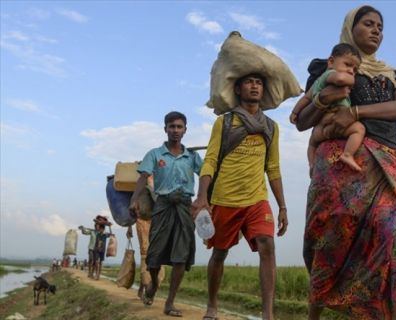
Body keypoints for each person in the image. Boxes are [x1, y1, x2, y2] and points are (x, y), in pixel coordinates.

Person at [296, 6, 396, 320]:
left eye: (380, 27)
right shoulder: (330, 68)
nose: (375, 31)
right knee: (330, 245)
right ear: (350, 28)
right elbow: (302, 121)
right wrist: (324, 99)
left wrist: (356, 113)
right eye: (367, 24)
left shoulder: (393, 74)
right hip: (341, 168)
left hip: (387, 166)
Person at [192, 73, 288, 320]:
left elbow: (273, 167)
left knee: (267, 245)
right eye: (249, 82)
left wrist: (283, 207)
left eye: (258, 82)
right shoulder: (224, 123)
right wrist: (202, 196)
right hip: (225, 199)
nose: (254, 86)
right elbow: (210, 160)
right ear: (237, 88)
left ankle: (268, 314)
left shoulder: (270, 127)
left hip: (257, 199)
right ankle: (212, 305)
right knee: (219, 254)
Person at [129, 111, 203, 317]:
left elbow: (207, 176)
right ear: (165, 129)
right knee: (154, 255)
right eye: (172, 127)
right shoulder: (155, 154)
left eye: (180, 127)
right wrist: (134, 199)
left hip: (185, 206)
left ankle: (170, 302)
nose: (176, 130)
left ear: (185, 130)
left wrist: (205, 200)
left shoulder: (192, 157)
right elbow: (144, 177)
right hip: (162, 206)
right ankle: (152, 284)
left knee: (181, 255)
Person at [290, 43, 364, 173]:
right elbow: (341, 79)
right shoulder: (330, 74)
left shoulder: (317, 81)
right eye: (347, 65)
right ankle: (347, 154)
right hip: (335, 117)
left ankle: (312, 164)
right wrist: (353, 80)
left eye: (355, 69)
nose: (351, 71)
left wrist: (295, 111)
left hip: (321, 127)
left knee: (312, 143)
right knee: (359, 129)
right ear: (331, 62)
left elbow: (306, 98)